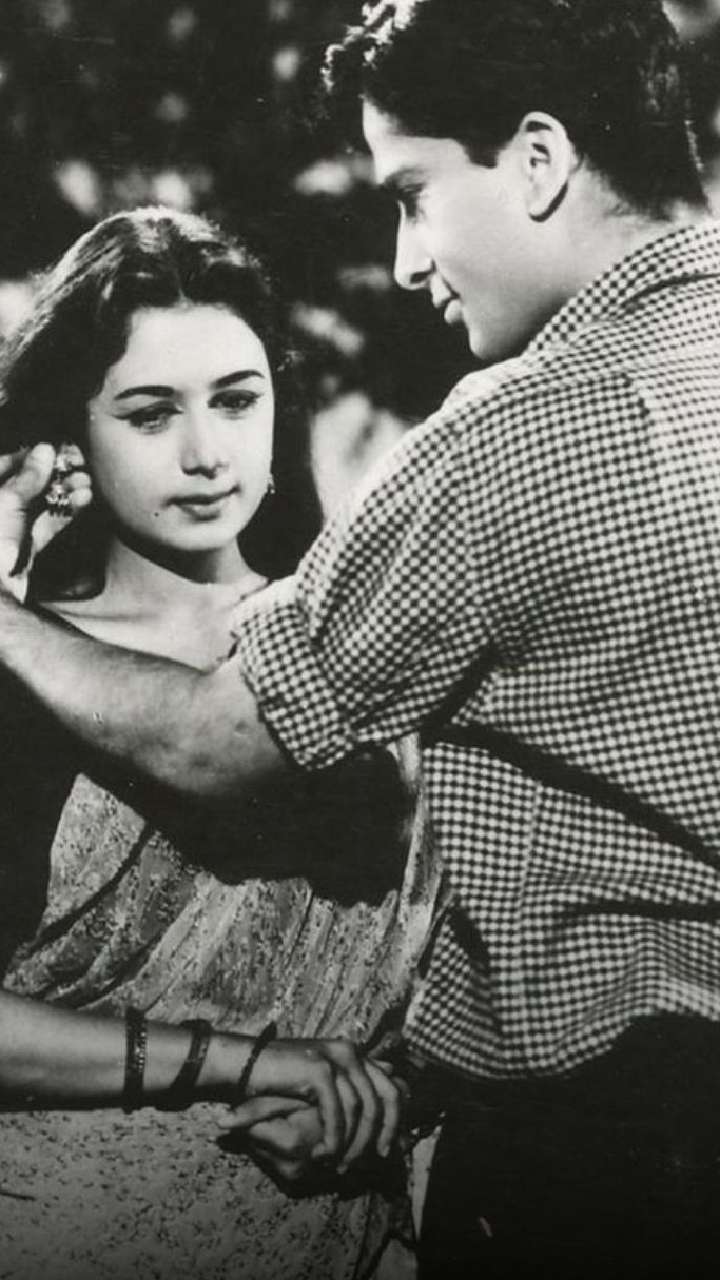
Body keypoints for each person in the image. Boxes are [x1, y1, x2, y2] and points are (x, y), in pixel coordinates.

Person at [0, 0, 719, 1274]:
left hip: (588, 1146)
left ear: (540, 160)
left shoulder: (519, 435)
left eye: (411, 195)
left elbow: (225, 738)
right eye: (151, 411)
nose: (402, 260)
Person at [0, 205, 438, 1280]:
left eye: (237, 400)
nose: (206, 454)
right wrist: (251, 1064)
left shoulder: (370, 651)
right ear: (69, 438)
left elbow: (467, 977)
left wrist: (379, 1096)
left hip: (335, 1234)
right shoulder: (26, 667)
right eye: (151, 414)